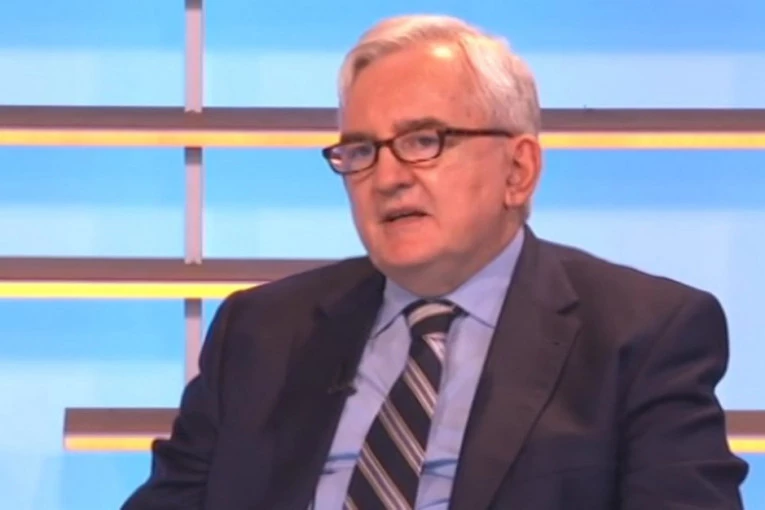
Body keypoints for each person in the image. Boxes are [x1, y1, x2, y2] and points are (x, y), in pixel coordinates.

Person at [121, 14, 748, 510]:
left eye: (425, 141)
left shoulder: (642, 334)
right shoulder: (259, 332)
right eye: (361, 150)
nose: (387, 177)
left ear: (519, 169)